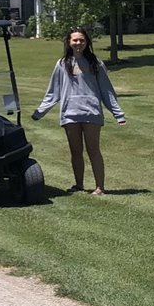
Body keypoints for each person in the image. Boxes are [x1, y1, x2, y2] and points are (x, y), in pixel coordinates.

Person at [31, 27, 126, 196]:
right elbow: (54, 91)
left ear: (87, 42)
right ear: (68, 42)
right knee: (75, 151)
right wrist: (40, 111)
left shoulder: (95, 63)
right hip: (70, 114)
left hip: (91, 113)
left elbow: (107, 90)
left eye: (81, 40)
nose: (78, 43)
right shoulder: (61, 64)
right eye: (74, 40)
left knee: (93, 150)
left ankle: (100, 187)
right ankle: (79, 184)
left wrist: (118, 114)